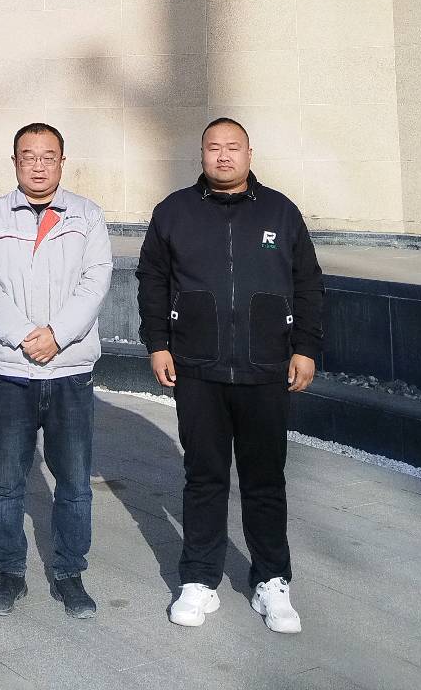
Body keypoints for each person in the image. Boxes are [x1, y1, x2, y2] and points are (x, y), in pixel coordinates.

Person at [136, 118, 324, 634]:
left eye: (232, 147)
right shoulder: (174, 212)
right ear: (201, 154)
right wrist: (158, 343)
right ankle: (199, 579)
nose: (223, 156)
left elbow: (308, 283)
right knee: (204, 477)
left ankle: (272, 581)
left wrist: (305, 348)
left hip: (266, 368)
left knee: (265, 479)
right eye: (213, 147)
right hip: (198, 368)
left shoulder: (280, 212)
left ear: (248, 153)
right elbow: (152, 281)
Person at [0, 122, 113, 619]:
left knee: (74, 482)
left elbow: (95, 282)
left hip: (69, 370)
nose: (38, 166)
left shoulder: (87, 216)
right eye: (28, 157)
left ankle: (70, 574)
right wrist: (24, 334)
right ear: (15, 162)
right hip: (11, 371)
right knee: (7, 481)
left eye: (48, 156)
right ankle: (10, 573)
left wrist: (57, 335)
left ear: (62, 162)